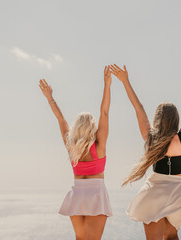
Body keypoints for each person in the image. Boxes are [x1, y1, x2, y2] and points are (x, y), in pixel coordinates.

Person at [110, 57, 181, 240]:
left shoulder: (150, 138)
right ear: (176, 118)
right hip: (177, 195)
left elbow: (138, 107)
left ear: (157, 119)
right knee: (172, 236)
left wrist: (125, 81)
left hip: (153, 193)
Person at [38, 66, 113, 240]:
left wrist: (50, 98)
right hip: (96, 195)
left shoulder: (71, 147)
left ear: (76, 128)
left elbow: (61, 119)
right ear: (92, 127)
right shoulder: (99, 146)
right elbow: (105, 112)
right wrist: (107, 85)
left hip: (78, 195)